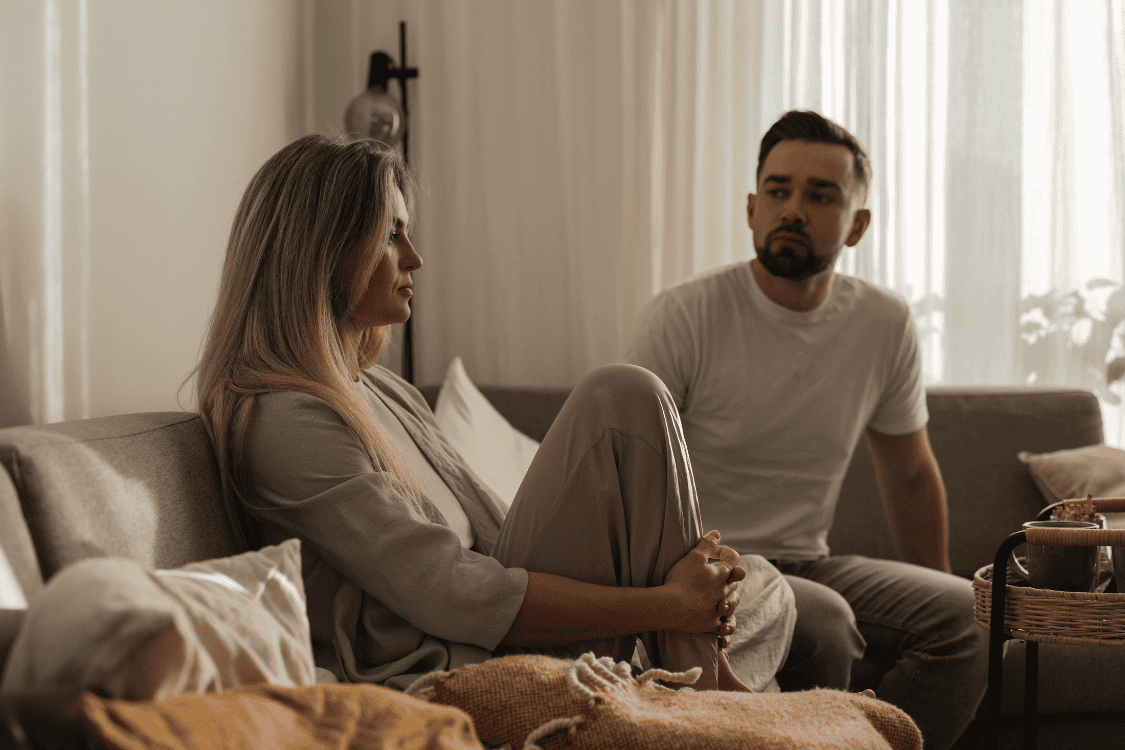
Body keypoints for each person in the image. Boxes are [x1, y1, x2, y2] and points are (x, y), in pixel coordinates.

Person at [193, 134, 796, 696]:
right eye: (391, 232)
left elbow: (495, 534)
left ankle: (687, 669)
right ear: (321, 250)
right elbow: (449, 593)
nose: (416, 257)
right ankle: (701, 679)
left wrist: (675, 586)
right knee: (622, 397)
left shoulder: (381, 389)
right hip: (463, 660)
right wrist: (667, 605)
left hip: (504, 618)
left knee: (768, 586)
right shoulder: (285, 419)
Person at [622, 110, 988, 750]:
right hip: (704, 563)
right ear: (750, 209)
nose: (793, 208)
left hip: (811, 560)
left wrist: (938, 587)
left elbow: (909, 476)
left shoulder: (882, 323)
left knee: (973, 615)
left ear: (857, 225)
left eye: (821, 195)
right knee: (827, 621)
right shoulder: (684, 316)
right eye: (778, 190)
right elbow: (627, 477)